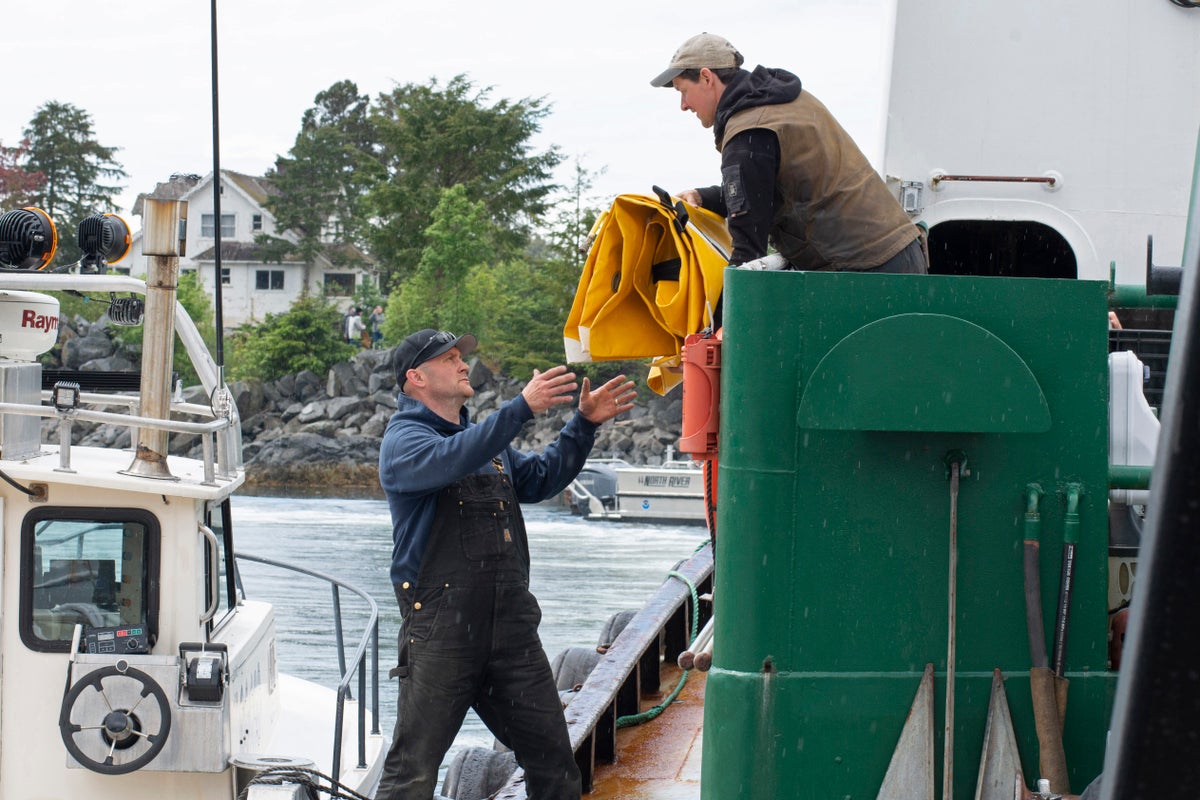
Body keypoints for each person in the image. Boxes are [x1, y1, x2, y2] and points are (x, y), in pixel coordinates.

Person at [376, 328, 636, 800]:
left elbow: (539, 479)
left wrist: (583, 424)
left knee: (555, 764)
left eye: (461, 356)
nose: (462, 364)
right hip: (441, 636)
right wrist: (519, 409)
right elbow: (450, 458)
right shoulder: (404, 442)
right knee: (412, 772)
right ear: (415, 377)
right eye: (449, 358)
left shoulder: (485, 443)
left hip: (511, 634)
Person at [651, 33, 928, 323]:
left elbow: (747, 255)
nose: (683, 105)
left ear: (707, 78)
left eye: (683, 91)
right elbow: (773, 193)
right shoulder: (780, 102)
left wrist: (717, 332)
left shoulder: (749, 132)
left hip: (867, 272)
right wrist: (705, 196)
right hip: (899, 257)